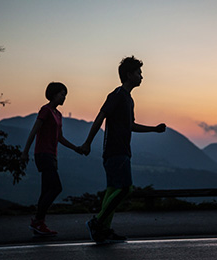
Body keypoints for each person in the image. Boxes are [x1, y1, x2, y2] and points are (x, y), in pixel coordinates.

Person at [81, 56, 166, 243]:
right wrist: (87, 142)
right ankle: (97, 222)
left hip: (120, 150)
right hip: (115, 150)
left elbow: (131, 125)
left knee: (112, 190)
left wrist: (154, 129)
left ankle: (103, 230)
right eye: (139, 73)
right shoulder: (117, 95)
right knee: (126, 188)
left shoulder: (128, 99)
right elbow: (100, 117)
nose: (142, 76)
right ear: (129, 75)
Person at [22, 82, 82, 236]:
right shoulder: (46, 110)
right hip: (43, 154)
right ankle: (37, 221)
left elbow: (59, 138)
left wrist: (76, 148)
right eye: (62, 94)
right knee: (56, 187)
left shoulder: (58, 114)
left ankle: (39, 224)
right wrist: (25, 152)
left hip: (52, 155)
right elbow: (34, 131)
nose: (64, 97)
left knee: (46, 190)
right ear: (54, 94)